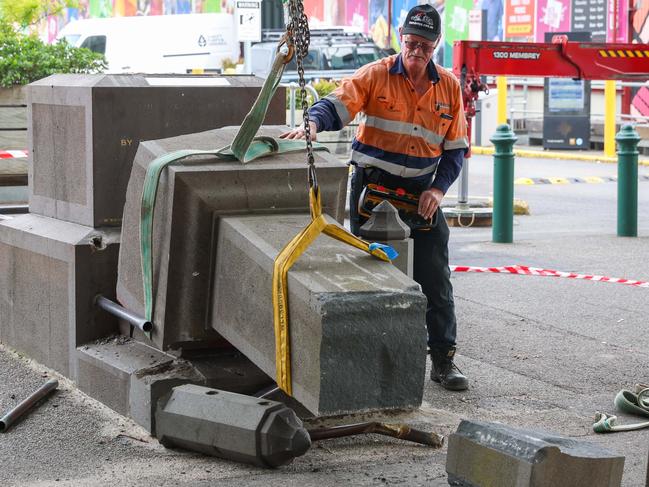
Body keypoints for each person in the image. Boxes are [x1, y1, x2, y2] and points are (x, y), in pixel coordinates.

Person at [280, 4, 469, 391]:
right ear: (401, 39)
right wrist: (314, 124)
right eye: (411, 43)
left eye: (425, 46)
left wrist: (437, 189)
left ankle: (444, 359)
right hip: (374, 187)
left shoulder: (448, 87)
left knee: (435, 275)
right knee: (371, 271)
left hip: (420, 192)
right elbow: (338, 103)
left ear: (435, 47)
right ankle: (367, 356)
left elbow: (455, 149)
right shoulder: (376, 75)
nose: (416, 52)